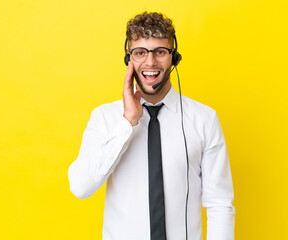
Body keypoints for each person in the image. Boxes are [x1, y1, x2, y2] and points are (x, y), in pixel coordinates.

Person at [68, 11, 235, 240]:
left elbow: (220, 204)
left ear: (173, 57)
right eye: (140, 53)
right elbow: (80, 187)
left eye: (160, 52)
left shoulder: (204, 119)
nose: (150, 62)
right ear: (129, 59)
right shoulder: (105, 118)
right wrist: (127, 123)